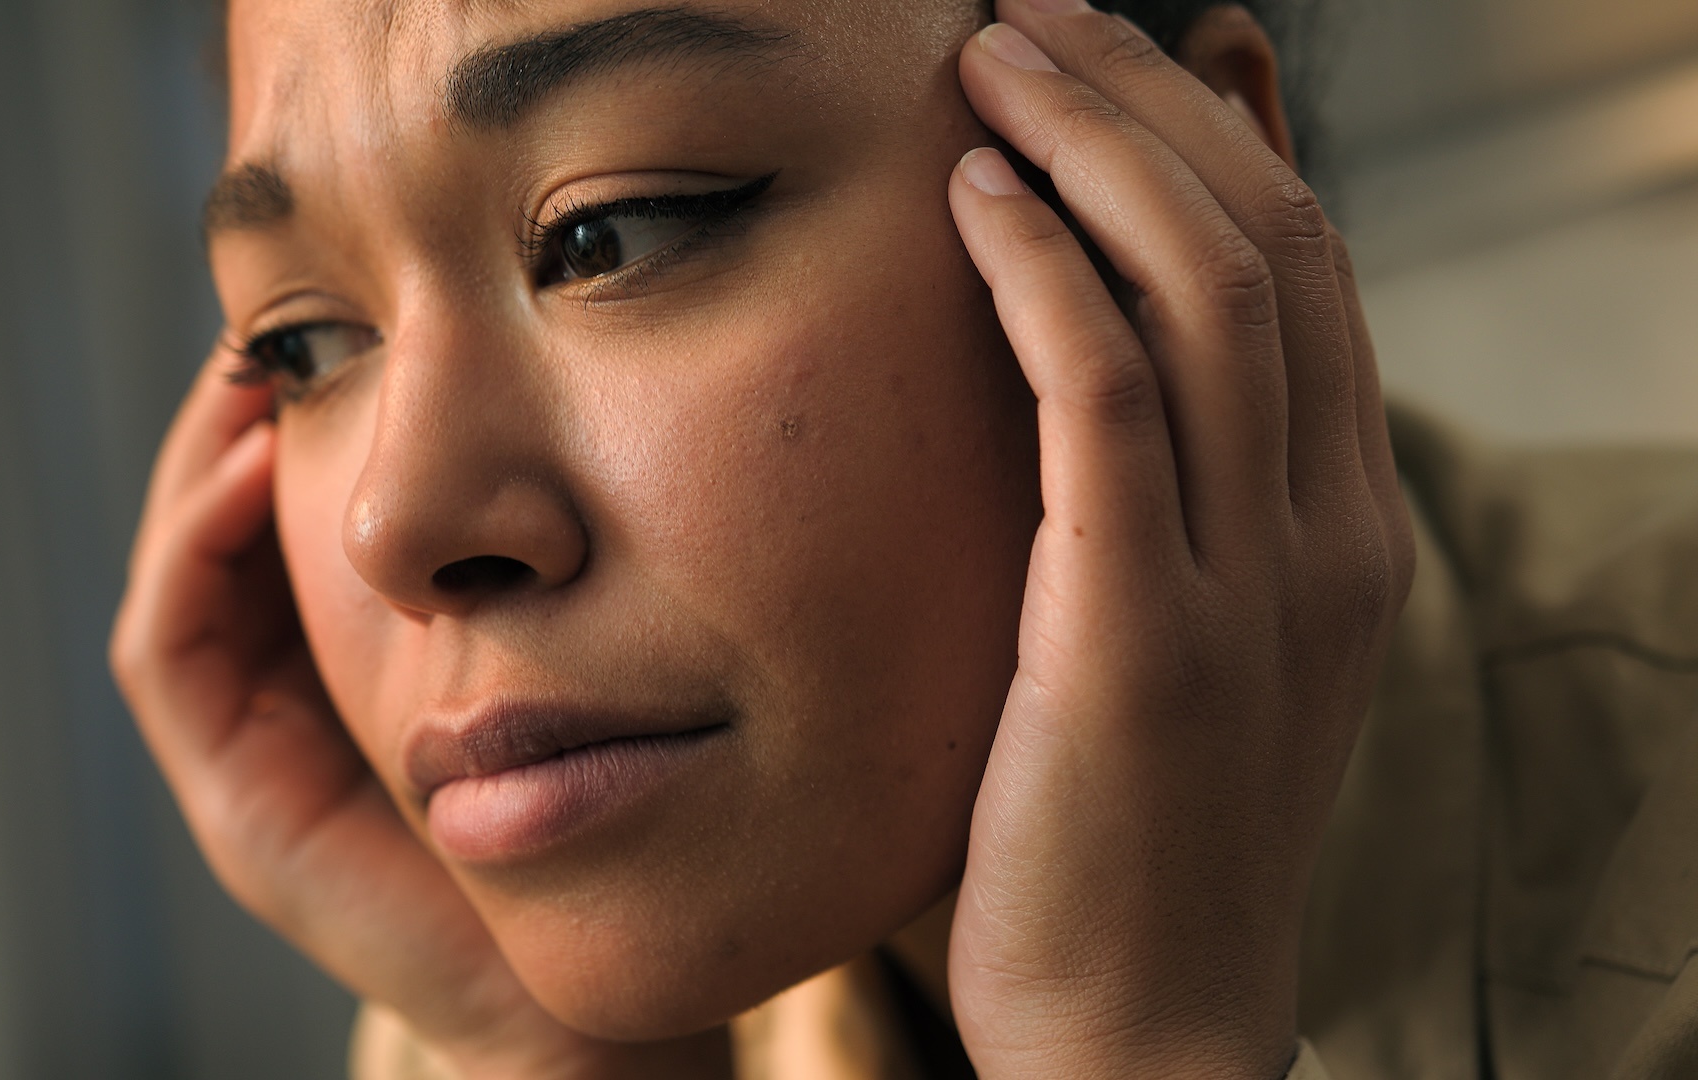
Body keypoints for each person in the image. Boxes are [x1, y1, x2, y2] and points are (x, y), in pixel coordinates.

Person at [109, 0, 1698, 1076]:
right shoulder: (526, 982)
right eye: (305, 344)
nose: (396, 522)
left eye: (610, 230)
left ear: (1183, 182)